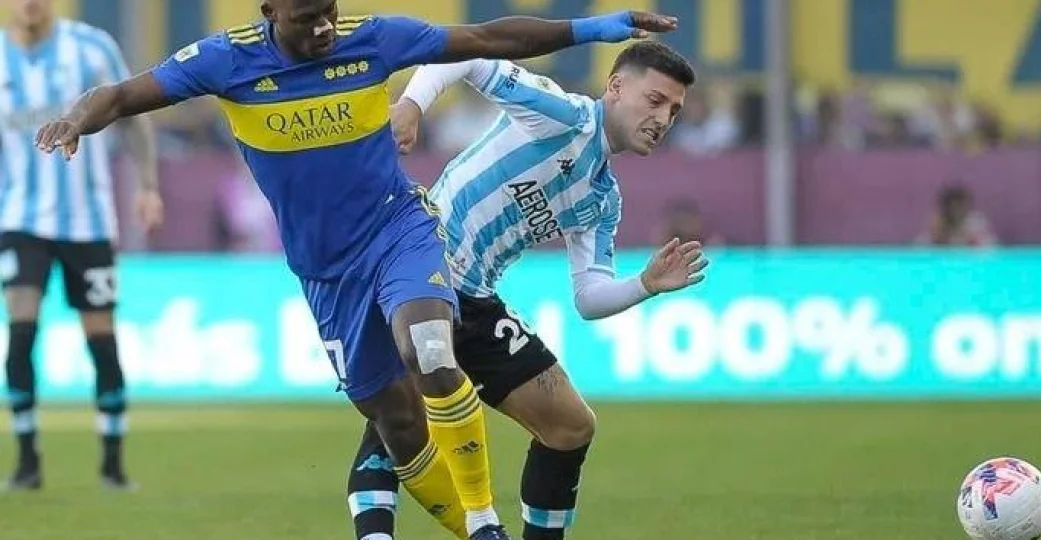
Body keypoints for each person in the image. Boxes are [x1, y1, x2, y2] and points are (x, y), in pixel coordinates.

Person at [34, 2, 676, 539]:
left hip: (400, 230)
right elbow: (122, 94)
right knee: (397, 424)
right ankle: (464, 530)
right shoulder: (226, 60)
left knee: (430, 348)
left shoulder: (369, 40)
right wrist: (75, 120)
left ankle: (484, 522)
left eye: (329, 12)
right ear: (270, 12)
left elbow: (484, 40)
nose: (324, 27)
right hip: (326, 271)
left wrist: (593, 28)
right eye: (308, 17)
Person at [351, 41, 706, 540]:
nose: (663, 118)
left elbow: (589, 297)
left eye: (673, 110)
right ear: (615, 87)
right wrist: (411, 104)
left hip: (474, 299)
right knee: (400, 419)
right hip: (417, 271)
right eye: (655, 100)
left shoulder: (603, 198)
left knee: (570, 426)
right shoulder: (561, 114)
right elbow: (468, 57)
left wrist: (644, 285)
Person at [1, 0, 163, 491]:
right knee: (21, 331)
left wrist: (147, 185)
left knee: (101, 341)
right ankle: (27, 463)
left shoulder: (92, 47)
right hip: (19, 218)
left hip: (88, 221)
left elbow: (132, 115)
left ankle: (112, 466)